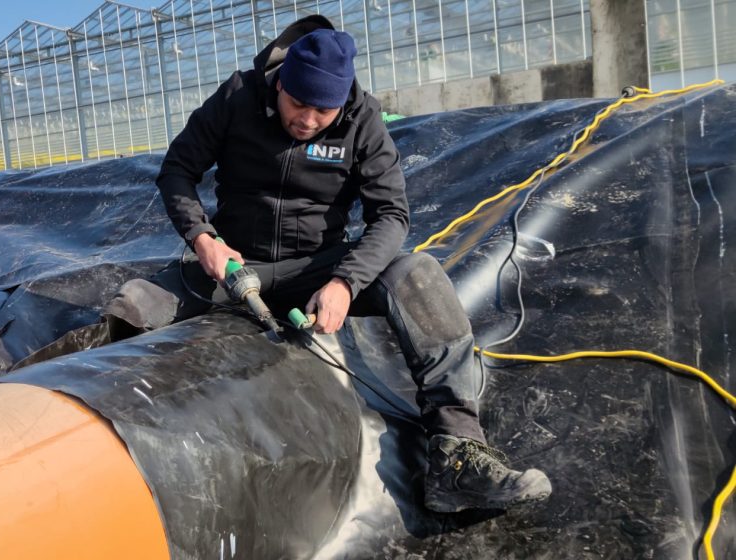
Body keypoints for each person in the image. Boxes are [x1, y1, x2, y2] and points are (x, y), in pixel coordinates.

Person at [104, 14, 551, 513]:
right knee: (135, 306)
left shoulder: (361, 118)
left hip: (320, 266)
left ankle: (455, 456)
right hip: (234, 267)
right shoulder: (237, 97)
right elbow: (178, 170)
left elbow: (391, 214)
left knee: (418, 276)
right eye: (299, 105)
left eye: (324, 111)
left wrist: (345, 281)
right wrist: (203, 238)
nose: (310, 120)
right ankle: (120, 454)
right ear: (280, 85)